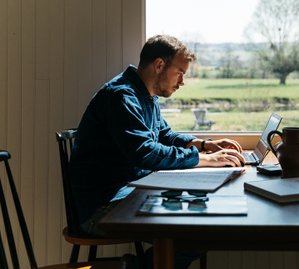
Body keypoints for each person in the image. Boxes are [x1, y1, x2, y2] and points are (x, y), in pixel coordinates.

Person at [69, 34, 245, 268]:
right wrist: (206, 160)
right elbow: (145, 152)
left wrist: (204, 144)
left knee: (202, 223)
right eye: (180, 72)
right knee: (198, 234)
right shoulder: (122, 96)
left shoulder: (145, 95)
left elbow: (165, 136)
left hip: (130, 193)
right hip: (102, 209)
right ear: (159, 65)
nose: (182, 81)